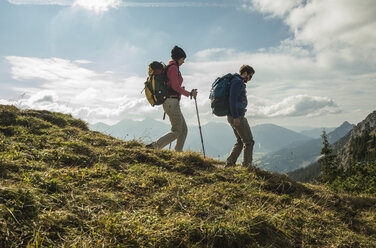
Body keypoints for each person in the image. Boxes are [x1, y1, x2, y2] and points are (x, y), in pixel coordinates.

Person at [147, 46, 197, 151]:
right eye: (183, 59)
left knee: (183, 130)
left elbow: (173, 86)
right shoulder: (173, 68)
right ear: (178, 58)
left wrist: (180, 90)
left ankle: (178, 152)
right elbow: (175, 86)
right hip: (171, 102)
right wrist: (190, 94)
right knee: (177, 130)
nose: (183, 62)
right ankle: (155, 146)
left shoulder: (171, 67)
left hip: (171, 101)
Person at [225, 65, 255, 168]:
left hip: (232, 115)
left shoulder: (235, 80)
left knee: (240, 141)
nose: (250, 79)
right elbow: (232, 99)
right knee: (249, 142)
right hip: (237, 116)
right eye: (250, 76)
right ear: (245, 73)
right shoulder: (237, 82)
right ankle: (246, 166)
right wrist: (236, 117)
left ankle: (229, 164)